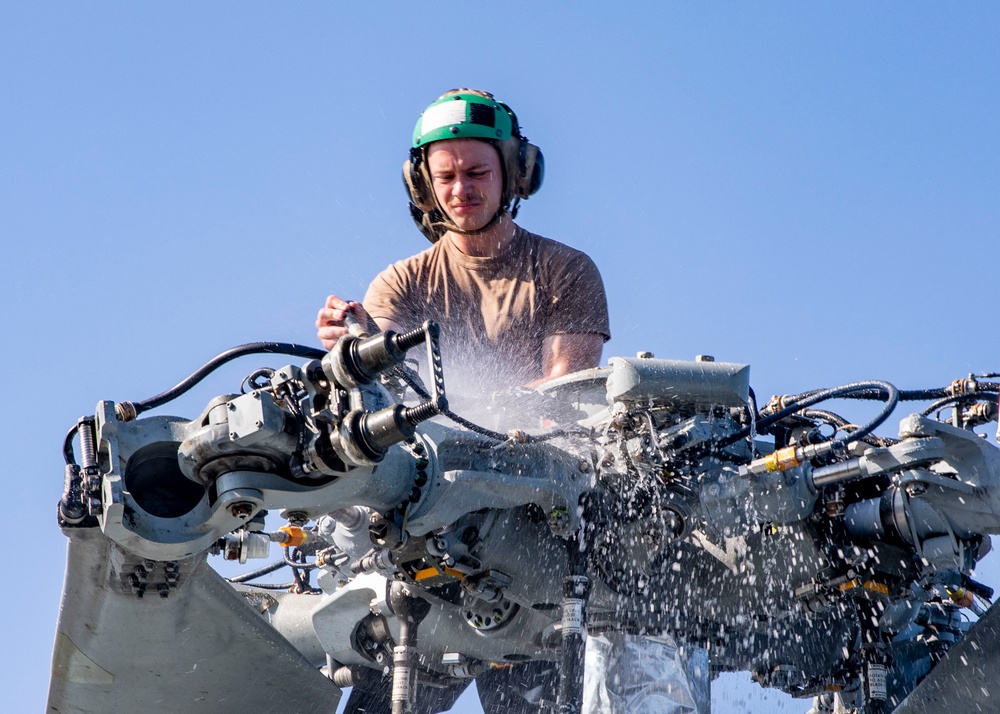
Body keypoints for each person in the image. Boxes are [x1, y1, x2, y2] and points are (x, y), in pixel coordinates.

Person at [316, 89, 610, 714]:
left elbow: (562, 397)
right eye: (444, 175)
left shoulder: (565, 270)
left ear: (516, 173)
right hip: (427, 544)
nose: (461, 189)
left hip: (530, 541)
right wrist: (355, 352)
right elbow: (388, 396)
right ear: (422, 184)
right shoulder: (401, 282)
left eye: (477, 172)